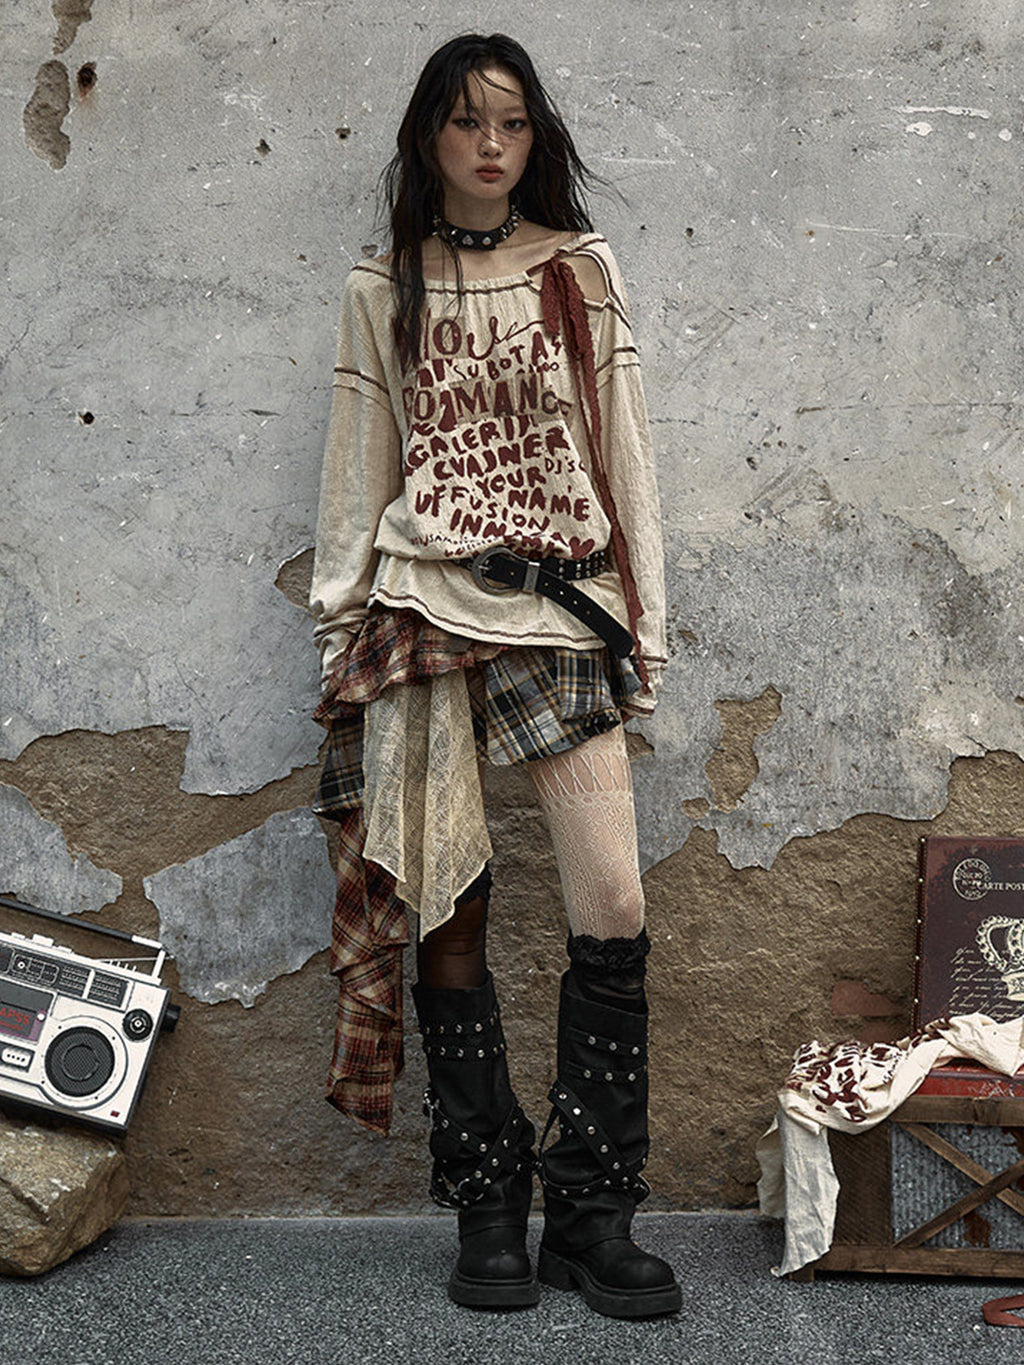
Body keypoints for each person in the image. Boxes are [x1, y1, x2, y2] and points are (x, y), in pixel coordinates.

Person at [309, 33, 678, 1320]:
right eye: (466, 122)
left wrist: (644, 629)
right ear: (429, 137)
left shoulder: (580, 271)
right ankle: (486, 1207)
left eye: (511, 123)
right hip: (420, 612)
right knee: (447, 908)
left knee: (611, 902)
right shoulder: (382, 284)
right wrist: (337, 631)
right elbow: (359, 461)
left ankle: (592, 1210)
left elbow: (625, 455)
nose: (489, 145)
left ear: (535, 140)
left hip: (562, 608)